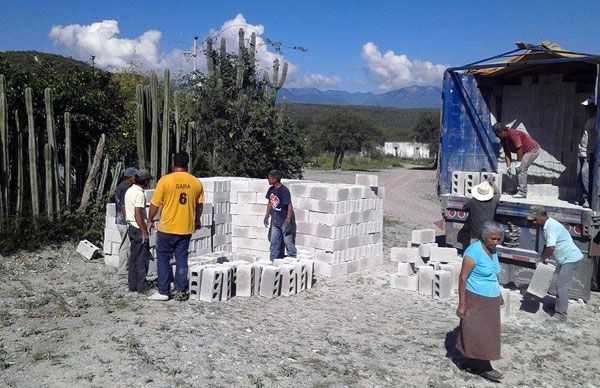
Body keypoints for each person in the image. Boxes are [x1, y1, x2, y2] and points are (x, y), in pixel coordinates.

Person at [147, 151, 204, 302]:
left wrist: (149, 219)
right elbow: (199, 206)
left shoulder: (165, 181)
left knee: (163, 259)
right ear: (187, 165)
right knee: (181, 259)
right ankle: (181, 291)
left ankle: (163, 291)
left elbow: (155, 204)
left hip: (167, 228)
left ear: (173, 165)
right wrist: (197, 221)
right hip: (185, 228)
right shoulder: (196, 182)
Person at [456, 221, 504, 382]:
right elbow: (463, 277)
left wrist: (499, 294)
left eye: (498, 239)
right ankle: (484, 366)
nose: (496, 242)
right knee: (477, 331)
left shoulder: (493, 249)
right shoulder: (473, 252)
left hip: (491, 297)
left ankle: (471, 360)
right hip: (476, 296)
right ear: (484, 237)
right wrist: (462, 304)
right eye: (493, 239)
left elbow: (493, 274)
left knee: (489, 332)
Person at [527, 206, 583, 322]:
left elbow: (551, 247)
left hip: (571, 258)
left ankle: (561, 315)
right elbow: (547, 245)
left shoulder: (551, 227)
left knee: (561, 285)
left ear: (543, 215)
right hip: (565, 258)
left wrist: (542, 259)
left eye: (536, 218)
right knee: (560, 284)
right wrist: (542, 257)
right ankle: (559, 306)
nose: (534, 221)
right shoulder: (546, 225)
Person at [493, 122, 540, 199]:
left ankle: (522, 192)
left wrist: (518, 164)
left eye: (497, 134)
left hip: (532, 150)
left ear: (501, 131)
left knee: (521, 168)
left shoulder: (512, 133)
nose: (497, 136)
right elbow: (507, 153)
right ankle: (518, 190)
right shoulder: (503, 140)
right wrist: (508, 167)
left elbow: (519, 149)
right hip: (524, 151)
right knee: (518, 169)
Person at [124, 168, 152, 294]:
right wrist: (144, 232)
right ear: (145, 181)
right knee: (142, 258)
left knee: (134, 258)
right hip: (138, 227)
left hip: (131, 227)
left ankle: (132, 285)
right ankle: (142, 287)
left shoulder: (129, 190)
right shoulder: (140, 194)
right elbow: (138, 214)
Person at [263, 170, 297, 261]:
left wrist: (288, 220)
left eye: (269, 178)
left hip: (283, 221)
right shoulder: (271, 189)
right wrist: (267, 215)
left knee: (288, 242)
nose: (268, 180)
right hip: (275, 221)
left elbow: (289, 206)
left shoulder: (284, 191)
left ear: (275, 179)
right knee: (274, 242)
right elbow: (270, 202)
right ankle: (273, 260)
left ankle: (293, 259)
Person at [463, 180, 501, 244]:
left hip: (475, 236)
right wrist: (491, 181)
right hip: (487, 235)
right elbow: (498, 193)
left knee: (474, 252)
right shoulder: (493, 201)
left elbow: (464, 208)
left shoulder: (473, 202)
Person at [115, 167, 137, 276]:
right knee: (125, 245)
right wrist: (128, 220)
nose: (136, 178)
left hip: (121, 220)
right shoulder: (126, 188)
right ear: (130, 177)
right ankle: (123, 270)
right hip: (124, 221)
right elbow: (123, 206)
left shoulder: (121, 186)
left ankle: (126, 268)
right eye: (135, 176)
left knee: (126, 244)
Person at [578, 96, 597, 208]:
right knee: (580, 175)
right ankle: (584, 197)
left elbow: (593, 139)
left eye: (588, 107)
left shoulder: (596, 120)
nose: (586, 109)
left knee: (585, 175)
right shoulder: (590, 119)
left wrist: (591, 153)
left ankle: (588, 199)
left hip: (588, 153)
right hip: (582, 151)